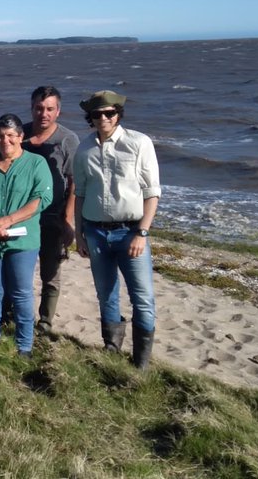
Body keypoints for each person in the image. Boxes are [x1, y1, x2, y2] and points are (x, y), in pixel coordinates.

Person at [73, 90, 161, 369]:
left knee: (142, 297)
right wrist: (79, 234)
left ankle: (141, 363)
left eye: (109, 113)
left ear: (118, 114)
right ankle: (112, 350)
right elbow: (81, 194)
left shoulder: (139, 143)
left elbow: (152, 192)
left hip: (130, 232)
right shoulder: (84, 148)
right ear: (91, 117)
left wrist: (142, 232)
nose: (103, 118)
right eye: (97, 114)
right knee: (106, 294)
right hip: (96, 232)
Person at [0, 114, 53, 357]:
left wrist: (8, 220)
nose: (6, 140)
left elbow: (41, 199)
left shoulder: (36, 164)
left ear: (21, 137)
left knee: (21, 292)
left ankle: (24, 345)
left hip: (22, 240)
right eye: (1, 136)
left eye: (11, 135)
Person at [21, 86, 79, 332]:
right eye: (38, 108)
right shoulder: (19, 134)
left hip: (54, 216)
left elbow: (75, 182)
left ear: (58, 111)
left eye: (49, 109)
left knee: (51, 273)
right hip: (21, 216)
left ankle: (45, 322)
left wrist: (68, 220)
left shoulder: (68, 140)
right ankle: (12, 312)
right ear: (32, 108)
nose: (43, 114)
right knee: (17, 270)